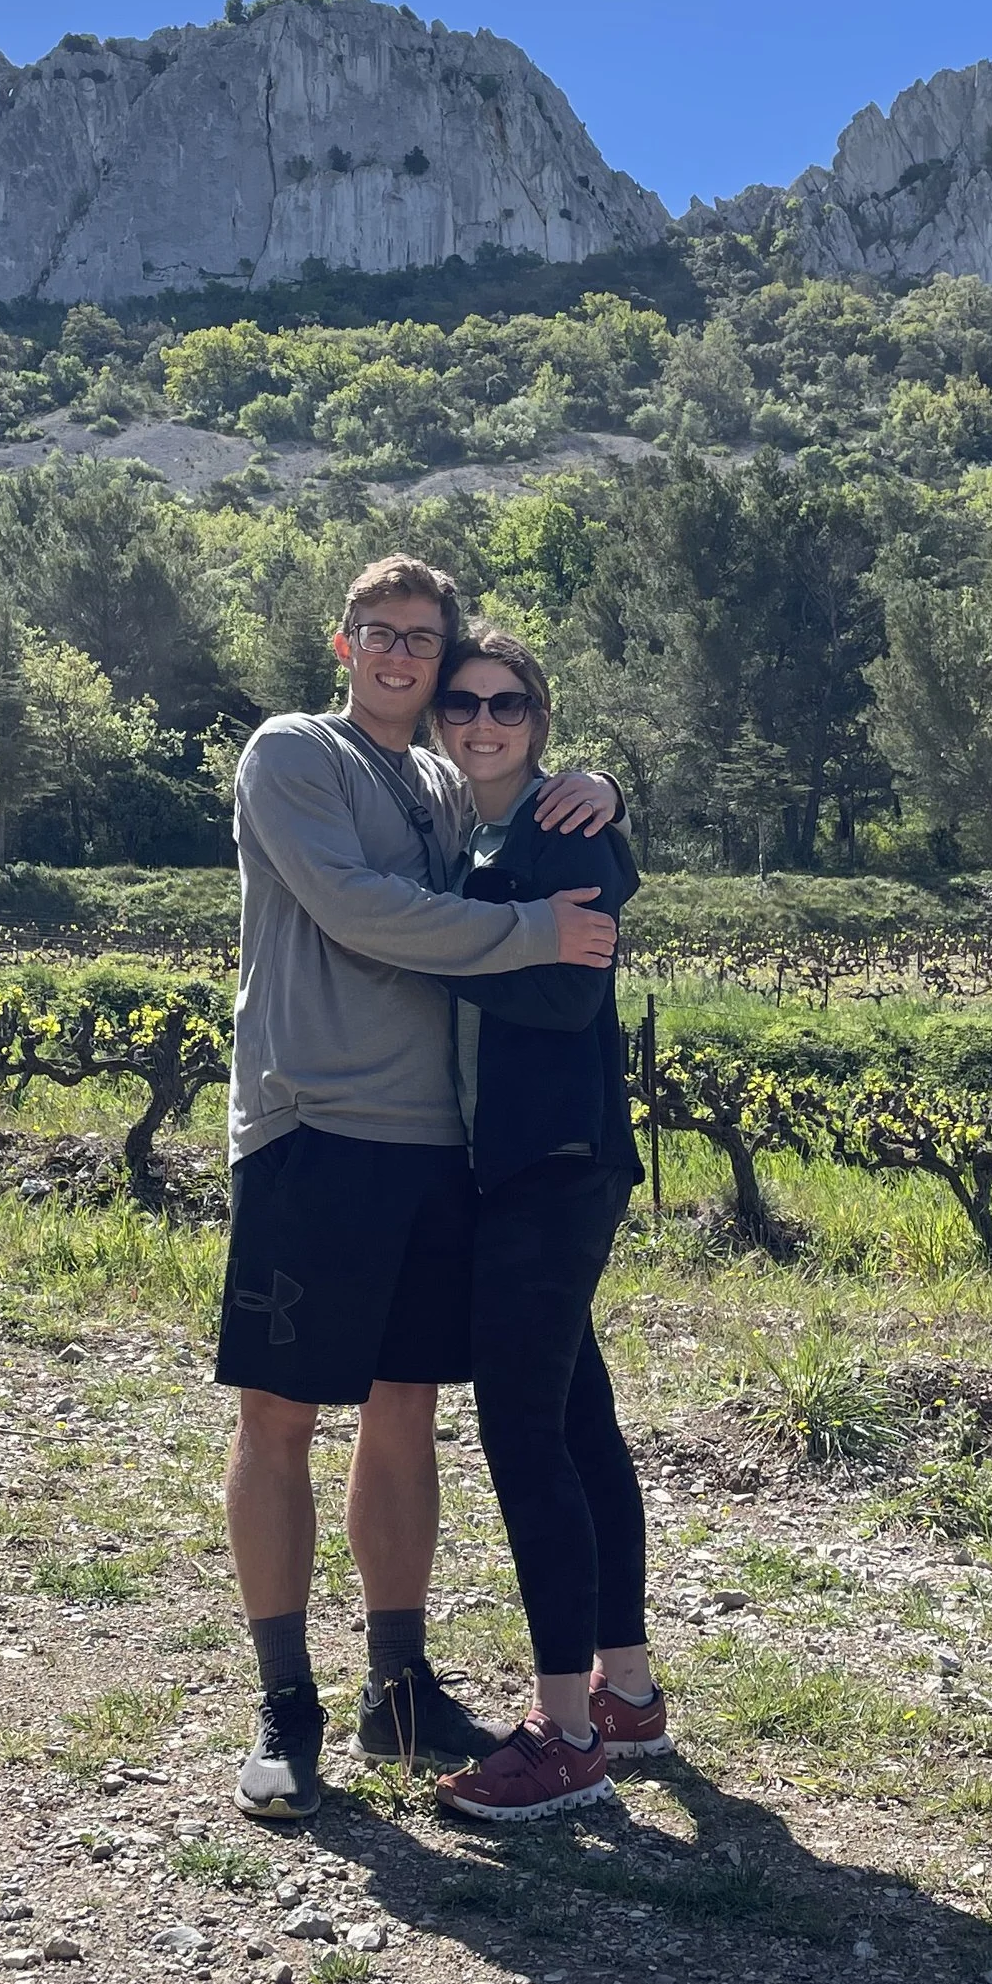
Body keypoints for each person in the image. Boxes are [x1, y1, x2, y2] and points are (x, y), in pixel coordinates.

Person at [220, 555, 623, 1821]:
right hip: (312, 1122)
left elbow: (530, 789)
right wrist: (529, 938)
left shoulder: (449, 778)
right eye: (378, 635)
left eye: (422, 640)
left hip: (434, 1146)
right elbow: (356, 911)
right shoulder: (295, 754)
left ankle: (396, 1686)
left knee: (405, 1414)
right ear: (343, 647)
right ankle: (286, 1706)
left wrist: (603, 787)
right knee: (281, 1415)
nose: (401, 656)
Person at [424, 630, 667, 1826]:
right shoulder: (456, 828)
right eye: (463, 701)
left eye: (507, 704)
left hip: (553, 1166)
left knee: (523, 1433)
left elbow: (569, 986)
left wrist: (415, 943)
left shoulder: (560, 825)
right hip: (513, 1166)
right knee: (577, 1418)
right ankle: (624, 1695)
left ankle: (564, 1735)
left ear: (539, 720)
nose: (483, 720)